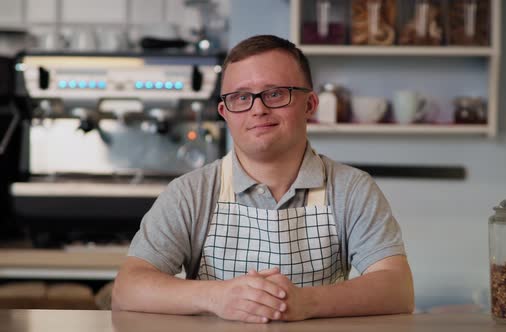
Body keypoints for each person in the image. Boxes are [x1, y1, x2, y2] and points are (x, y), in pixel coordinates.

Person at [112, 34, 414, 323]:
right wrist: (216, 297)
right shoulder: (190, 192)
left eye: (275, 94)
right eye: (241, 97)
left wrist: (306, 302)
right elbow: (128, 288)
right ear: (225, 112)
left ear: (310, 105)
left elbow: (397, 289)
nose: (258, 109)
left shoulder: (351, 189)